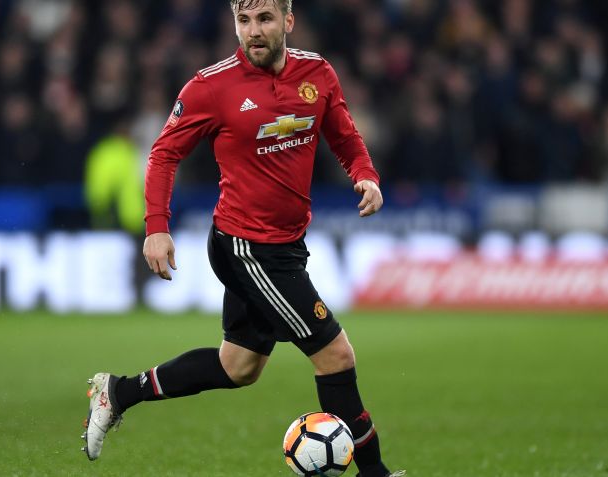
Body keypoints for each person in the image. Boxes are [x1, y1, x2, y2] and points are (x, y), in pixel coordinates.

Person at [82, 2, 403, 476]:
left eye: (265, 19)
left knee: (238, 367)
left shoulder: (317, 73)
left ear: (288, 21)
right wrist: (156, 226)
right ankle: (375, 473)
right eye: (244, 20)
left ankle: (118, 391)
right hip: (247, 247)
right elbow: (164, 154)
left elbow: (343, 134)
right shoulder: (211, 86)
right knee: (335, 355)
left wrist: (365, 174)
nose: (253, 31)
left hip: (286, 242)